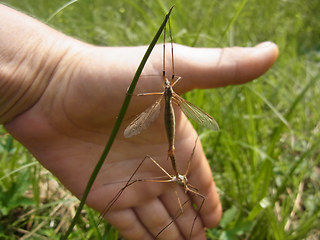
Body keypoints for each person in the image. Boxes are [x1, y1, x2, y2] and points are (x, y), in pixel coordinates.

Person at [0, 3, 279, 240]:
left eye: (169, 82)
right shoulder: (162, 93)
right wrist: (47, 80)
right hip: (165, 112)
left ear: (169, 84)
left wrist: (45, 80)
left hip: (168, 114)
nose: (169, 81)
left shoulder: (166, 92)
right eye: (168, 81)